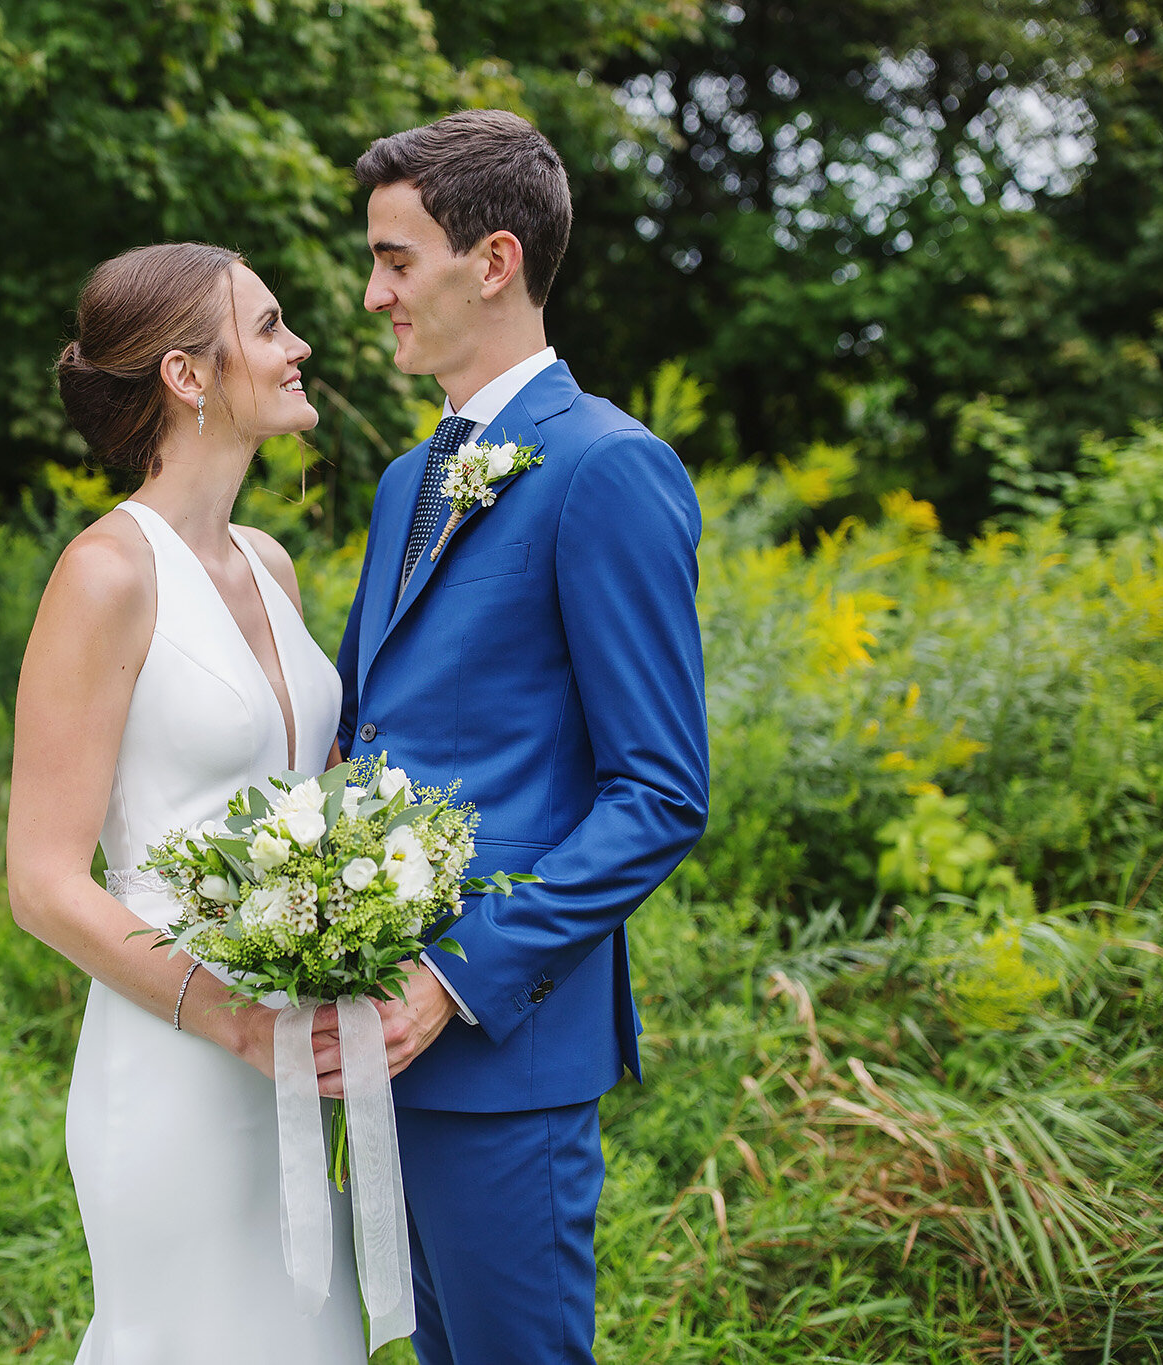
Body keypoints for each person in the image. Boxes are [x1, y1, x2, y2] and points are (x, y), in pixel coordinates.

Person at [326, 109, 711, 1364]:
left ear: (491, 261)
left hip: (501, 1042)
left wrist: (451, 978)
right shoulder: (404, 482)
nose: (372, 291)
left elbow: (656, 791)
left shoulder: (607, 467)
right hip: (379, 1038)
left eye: (395, 259)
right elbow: (373, 731)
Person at [7, 242, 368, 1363]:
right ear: (186, 375)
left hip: (293, 1053)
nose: (298, 343)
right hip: (175, 1058)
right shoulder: (106, 575)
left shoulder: (268, 562)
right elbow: (41, 881)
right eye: (266, 326)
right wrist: (228, 1018)